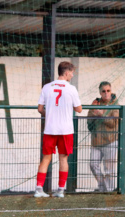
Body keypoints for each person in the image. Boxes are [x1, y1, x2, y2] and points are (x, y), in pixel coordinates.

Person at [34, 61, 82, 198]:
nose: (72, 75)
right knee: (63, 159)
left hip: (50, 128)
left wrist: (49, 114)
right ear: (66, 73)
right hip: (65, 130)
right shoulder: (71, 89)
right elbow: (79, 109)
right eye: (71, 73)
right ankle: (60, 190)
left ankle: (38, 189)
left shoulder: (47, 87)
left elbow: (40, 109)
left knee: (46, 158)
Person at [87, 81, 118, 192]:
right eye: (103, 91)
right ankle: (103, 186)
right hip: (96, 141)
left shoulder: (115, 104)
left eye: (108, 91)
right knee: (93, 164)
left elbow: (113, 123)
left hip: (110, 140)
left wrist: (102, 115)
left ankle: (109, 190)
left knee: (109, 169)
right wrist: (94, 116)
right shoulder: (95, 103)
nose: (106, 93)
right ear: (100, 92)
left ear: (111, 91)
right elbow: (89, 121)